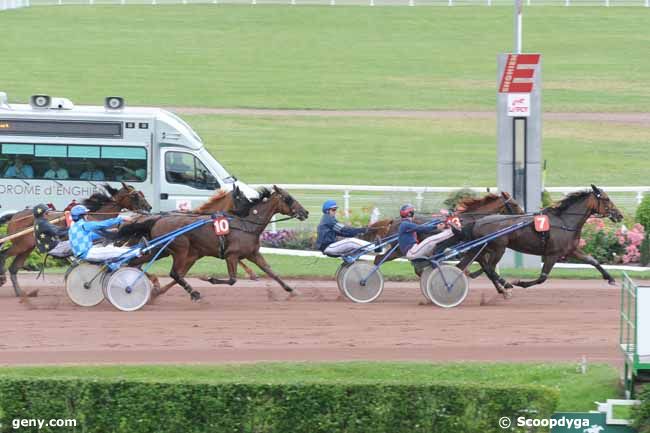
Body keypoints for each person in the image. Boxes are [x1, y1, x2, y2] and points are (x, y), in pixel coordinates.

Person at [68, 205, 133, 262]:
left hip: (81, 254)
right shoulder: (84, 225)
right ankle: (139, 252)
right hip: (87, 253)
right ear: (82, 216)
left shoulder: (73, 228)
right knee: (124, 251)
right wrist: (121, 218)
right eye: (86, 214)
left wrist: (110, 231)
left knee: (110, 247)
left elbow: (90, 236)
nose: (87, 215)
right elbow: (102, 224)